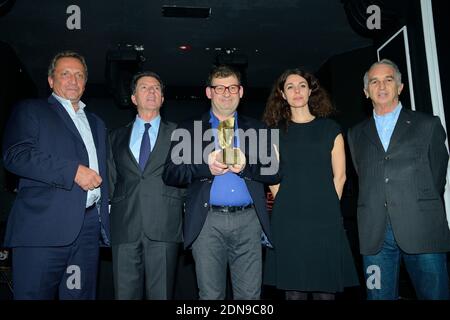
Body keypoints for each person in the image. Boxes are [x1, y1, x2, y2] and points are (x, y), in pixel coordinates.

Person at [163, 65, 280, 299]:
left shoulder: (259, 128)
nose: (226, 93)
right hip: (207, 223)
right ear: (209, 93)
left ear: (241, 91)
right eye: (220, 88)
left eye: (232, 87)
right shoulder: (188, 128)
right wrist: (206, 166)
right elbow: (171, 173)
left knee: (249, 297)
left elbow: (275, 173)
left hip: (249, 221)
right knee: (210, 295)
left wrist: (247, 166)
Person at [2, 51, 110, 299]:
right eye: (65, 74)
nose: (73, 80)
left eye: (79, 75)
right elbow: (16, 155)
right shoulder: (31, 109)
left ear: (85, 82)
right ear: (51, 80)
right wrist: (72, 171)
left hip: (88, 229)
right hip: (43, 229)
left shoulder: (96, 122)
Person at [347, 59, 450, 300]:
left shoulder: (428, 125)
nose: (381, 86)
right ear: (365, 91)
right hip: (375, 237)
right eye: (374, 81)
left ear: (400, 87)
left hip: (423, 230)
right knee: (377, 296)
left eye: (388, 79)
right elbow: (365, 177)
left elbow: (437, 177)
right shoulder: (355, 134)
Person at [262, 68, 359, 300]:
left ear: (310, 90)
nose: (297, 91)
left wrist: (325, 205)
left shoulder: (331, 129)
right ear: (283, 95)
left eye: (302, 85)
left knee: (325, 293)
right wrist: (287, 202)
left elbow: (341, 176)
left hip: (325, 219)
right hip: (288, 221)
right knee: (293, 293)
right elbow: (271, 177)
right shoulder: (273, 133)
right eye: (290, 87)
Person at [107, 71, 184, 299]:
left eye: (156, 89)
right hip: (124, 226)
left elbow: (187, 179)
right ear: (133, 98)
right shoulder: (115, 137)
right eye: (144, 87)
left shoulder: (180, 134)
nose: (151, 91)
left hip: (164, 225)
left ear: (162, 99)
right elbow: (110, 181)